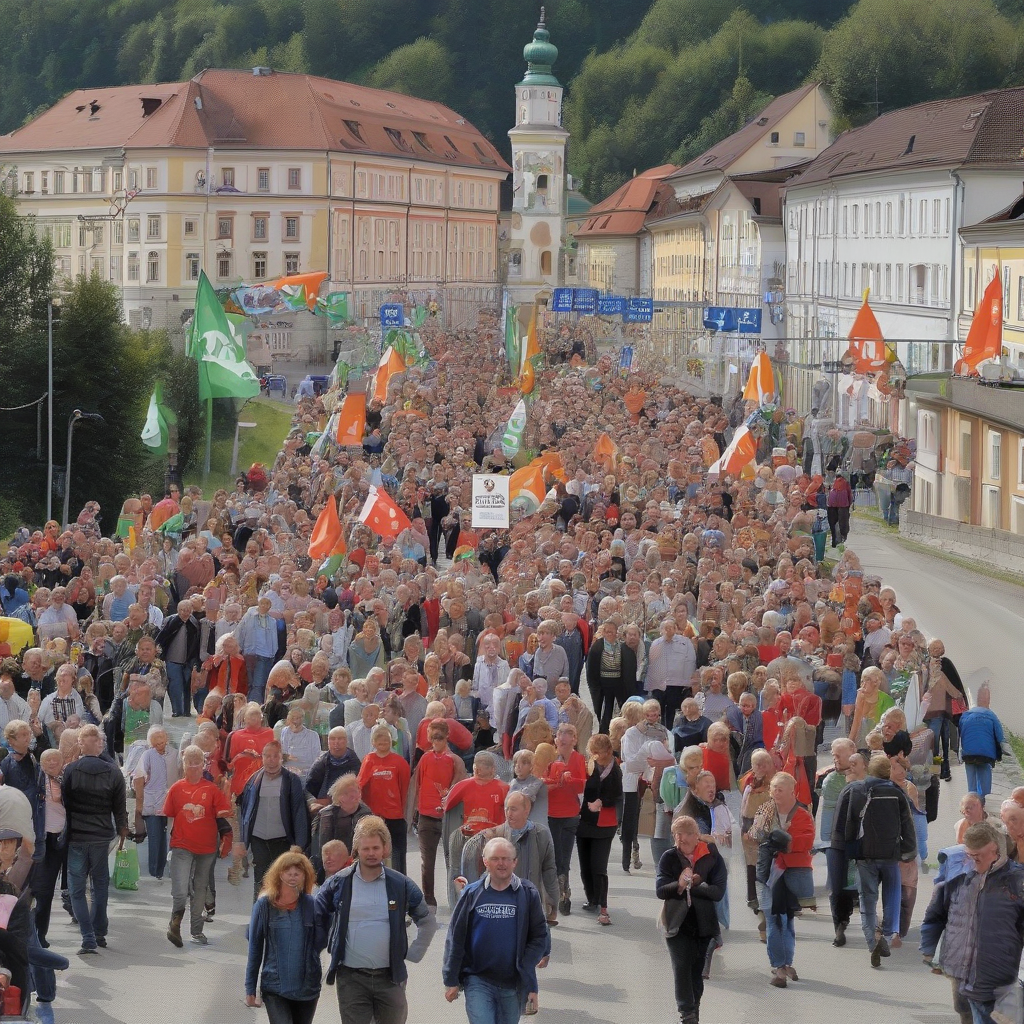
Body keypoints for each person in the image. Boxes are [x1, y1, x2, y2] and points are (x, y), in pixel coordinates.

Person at [315, 815, 435, 1024]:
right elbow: (315, 915)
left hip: (390, 978)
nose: (371, 853)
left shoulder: (400, 884)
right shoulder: (339, 882)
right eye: (365, 848)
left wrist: (414, 952)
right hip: (351, 979)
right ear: (356, 850)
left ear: (385, 849)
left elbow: (427, 920)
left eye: (375, 848)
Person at [921, 820, 1024, 1024]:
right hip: (960, 965)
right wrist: (929, 950)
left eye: (978, 857)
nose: (972, 861)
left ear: (996, 852)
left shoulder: (1016, 881)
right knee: (963, 1009)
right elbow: (936, 915)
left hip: (999, 972)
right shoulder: (958, 878)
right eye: (969, 855)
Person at [443, 836, 548, 1024]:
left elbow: (540, 935)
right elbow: (456, 938)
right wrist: (451, 978)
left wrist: (528, 973)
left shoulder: (527, 893)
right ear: (485, 862)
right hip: (477, 979)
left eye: (506, 858)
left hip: (512, 983)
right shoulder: (472, 894)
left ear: (515, 862)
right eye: (495, 858)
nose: (501, 863)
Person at [843, 754, 916, 967]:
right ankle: (885, 936)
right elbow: (907, 825)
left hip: (865, 855)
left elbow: (850, 825)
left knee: (867, 900)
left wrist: (850, 850)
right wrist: (908, 850)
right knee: (892, 896)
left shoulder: (858, 790)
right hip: (891, 855)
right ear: (888, 772)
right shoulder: (897, 794)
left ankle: (872, 940)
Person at [61, 723, 128, 954]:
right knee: (100, 885)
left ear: (80, 744)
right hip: (101, 836)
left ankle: (88, 935)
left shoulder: (71, 770)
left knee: (77, 889)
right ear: (99, 744)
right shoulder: (113, 772)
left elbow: (65, 805)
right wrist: (122, 830)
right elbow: (120, 807)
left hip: (77, 836)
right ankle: (99, 931)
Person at [656, 815, 728, 1024]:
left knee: (696, 973)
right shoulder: (669, 858)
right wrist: (678, 885)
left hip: (704, 925)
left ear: (697, 836)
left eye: (688, 834)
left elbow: (718, 892)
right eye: (678, 834)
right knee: (681, 967)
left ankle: (694, 1011)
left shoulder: (712, 857)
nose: (682, 839)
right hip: (677, 924)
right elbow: (661, 890)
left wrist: (695, 885)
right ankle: (686, 1013)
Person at [245, 848, 324, 1024]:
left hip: (307, 988)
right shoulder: (264, 905)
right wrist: (250, 988)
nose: (293, 876)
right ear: (279, 874)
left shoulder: (310, 904)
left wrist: (327, 918)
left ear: (305, 876)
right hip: (274, 986)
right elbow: (255, 947)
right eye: (288, 872)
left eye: (298, 873)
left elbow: (319, 943)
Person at [163, 744, 231, 947]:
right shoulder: (176, 788)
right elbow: (169, 816)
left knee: (200, 888)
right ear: (183, 765)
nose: (193, 766)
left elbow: (224, 812)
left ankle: (196, 931)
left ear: (204, 765)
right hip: (181, 845)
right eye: (189, 762)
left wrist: (224, 814)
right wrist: (170, 844)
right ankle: (174, 924)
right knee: (181, 890)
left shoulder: (211, 789)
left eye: (197, 762)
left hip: (206, 848)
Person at [751, 771, 814, 988]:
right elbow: (754, 835)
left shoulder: (802, 813)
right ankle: (779, 967)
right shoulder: (765, 809)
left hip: (791, 872)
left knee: (786, 921)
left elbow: (807, 841)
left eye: (780, 789)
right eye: (773, 789)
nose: (775, 793)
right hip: (768, 873)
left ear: (791, 791)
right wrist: (768, 835)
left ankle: (786, 963)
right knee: (773, 919)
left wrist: (786, 842)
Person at [460, 791, 559, 925]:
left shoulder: (541, 835)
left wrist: (553, 904)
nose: (508, 813)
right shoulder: (494, 835)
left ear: (527, 810)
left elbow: (549, 871)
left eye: (513, 809)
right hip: (500, 907)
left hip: (530, 905)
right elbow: (479, 873)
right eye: (506, 808)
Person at [237, 741, 310, 900]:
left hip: (283, 841)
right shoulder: (254, 780)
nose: (271, 760)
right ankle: (259, 918)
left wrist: (299, 843)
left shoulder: (292, 781)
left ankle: (280, 916)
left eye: (275, 756)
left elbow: (299, 812)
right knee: (261, 880)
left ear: (281, 758)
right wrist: (242, 840)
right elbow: (245, 812)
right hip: (259, 839)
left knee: (282, 880)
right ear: (262, 758)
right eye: (267, 756)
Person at [412, 718, 466, 907]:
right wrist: (413, 813)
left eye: (439, 737)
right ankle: (429, 898)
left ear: (446, 737)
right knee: (428, 861)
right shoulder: (425, 758)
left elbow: (458, 788)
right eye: (432, 737)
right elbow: (416, 785)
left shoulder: (455, 760)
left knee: (453, 861)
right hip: (427, 815)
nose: (435, 741)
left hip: (447, 816)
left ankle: (458, 897)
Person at [576, 733, 622, 926]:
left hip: (605, 822)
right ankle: (591, 898)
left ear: (609, 752)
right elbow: (581, 789)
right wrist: (587, 804)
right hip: (585, 820)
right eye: (592, 753)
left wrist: (602, 802)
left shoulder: (616, 770)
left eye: (599, 753)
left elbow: (619, 795)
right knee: (585, 865)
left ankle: (603, 904)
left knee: (598, 865)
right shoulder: (588, 766)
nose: (595, 756)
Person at [356, 724, 411, 874]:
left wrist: (405, 812)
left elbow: (405, 788)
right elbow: (360, 784)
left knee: (397, 853)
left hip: (395, 815)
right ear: (373, 743)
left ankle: (400, 883)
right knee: (373, 852)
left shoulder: (399, 762)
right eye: (379, 742)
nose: (383, 744)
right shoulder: (369, 760)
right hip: (374, 815)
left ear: (391, 741)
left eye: (386, 741)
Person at [544, 722, 586, 916]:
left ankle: (564, 892)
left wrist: (570, 780)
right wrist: (552, 783)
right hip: (550, 814)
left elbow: (581, 787)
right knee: (552, 856)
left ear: (574, 739)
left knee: (564, 857)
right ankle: (553, 892)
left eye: (568, 733)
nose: (563, 737)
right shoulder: (547, 757)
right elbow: (540, 782)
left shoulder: (578, 759)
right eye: (560, 733)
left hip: (569, 814)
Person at [132, 725, 179, 880]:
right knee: (155, 836)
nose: (160, 744)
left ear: (166, 738)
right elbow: (138, 778)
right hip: (152, 803)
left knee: (166, 836)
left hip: (170, 802)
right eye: (156, 742)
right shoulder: (147, 755)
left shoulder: (174, 753)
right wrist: (139, 806)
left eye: (162, 740)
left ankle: (161, 868)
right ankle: (154, 871)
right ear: (151, 743)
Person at [586, 620, 637, 734]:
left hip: (618, 684)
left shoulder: (622, 647)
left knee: (618, 710)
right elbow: (591, 670)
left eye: (611, 632)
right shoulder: (597, 647)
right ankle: (604, 732)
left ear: (616, 633)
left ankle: (618, 732)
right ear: (603, 632)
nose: (609, 634)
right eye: (606, 631)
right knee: (605, 710)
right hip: (603, 685)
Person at [957, 683, 1004, 803]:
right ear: (988, 700)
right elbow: (1000, 736)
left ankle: (971, 800)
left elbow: (961, 733)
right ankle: (982, 801)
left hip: (968, 753)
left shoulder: (966, 715)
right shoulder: (992, 716)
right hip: (985, 754)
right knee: (984, 778)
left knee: (971, 780)